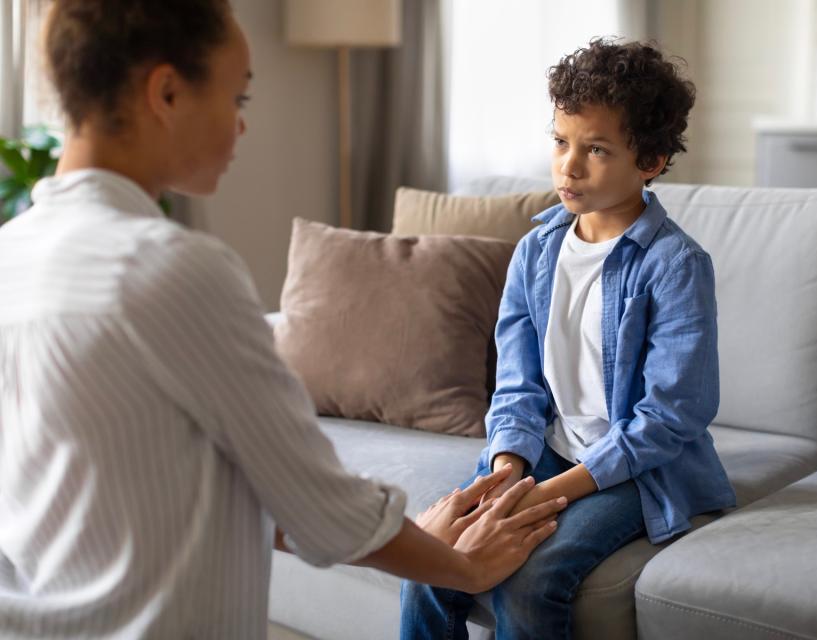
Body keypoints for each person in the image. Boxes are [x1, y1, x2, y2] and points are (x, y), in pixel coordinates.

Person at [0, 1, 565, 638]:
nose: (242, 127)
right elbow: (320, 505)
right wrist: (461, 565)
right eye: (237, 97)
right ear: (166, 92)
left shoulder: (11, 255)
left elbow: (174, 488)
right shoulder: (174, 269)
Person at [400, 38, 738, 640]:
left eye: (597, 149)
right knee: (428, 556)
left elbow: (671, 416)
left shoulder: (676, 265)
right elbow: (517, 382)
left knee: (531, 580)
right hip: (548, 446)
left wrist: (548, 496)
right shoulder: (535, 251)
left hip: (640, 469)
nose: (569, 167)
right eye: (561, 141)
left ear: (651, 161)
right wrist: (509, 467)